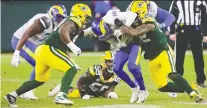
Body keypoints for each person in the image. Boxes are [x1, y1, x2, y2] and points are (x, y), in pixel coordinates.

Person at [114, 0, 203, 103]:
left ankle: (193, 95)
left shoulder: (149, 21)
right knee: (162, 87)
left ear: (141, 13)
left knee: (172, 74)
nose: (131, 16)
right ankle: (190, 88)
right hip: (152, 57)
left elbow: (135, 32)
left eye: (134, 13)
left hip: (163, 51)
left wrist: (121, 26)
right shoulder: (134, 21)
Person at [5, 3, 92, 107]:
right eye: (86, 16)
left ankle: (12, 95)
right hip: (47, 49)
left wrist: (93, 30)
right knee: (71, 69)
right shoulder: (73, 20)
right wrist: (73, 46)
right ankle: (61, 96)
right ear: (80, 14)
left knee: (39, 80)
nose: (86, 20)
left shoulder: (71, 24)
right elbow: (62, 31)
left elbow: (78, 34)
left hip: (43, 50)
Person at [10, 4, 67, 100]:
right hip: (20, 40)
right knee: (40, 62)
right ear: (53, 14)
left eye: (62, 17)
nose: (61, 19)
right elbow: (26, 34)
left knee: (43, 63)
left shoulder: (55, 25)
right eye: (59, 17)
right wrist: (16, 53)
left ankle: (27, 91)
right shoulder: (45, 20)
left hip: (33, 43)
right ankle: (27, 91)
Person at [48, 51, 120, 100]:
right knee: (70, 93)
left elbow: (105, 91)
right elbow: (80, 81)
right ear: (104, 62)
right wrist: (83, 94)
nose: (112, 64)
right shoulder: (95, 70)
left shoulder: (116, 76)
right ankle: (62, 86)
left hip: (94, 93)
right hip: (84, 90)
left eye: (114, 62)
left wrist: (109, 94)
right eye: (110, 61)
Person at [169, 0, 207, 88]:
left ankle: (201, 81)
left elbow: (205, 17)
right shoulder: (177, 1)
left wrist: (205, 34)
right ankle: (179, 80)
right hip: (182, 29)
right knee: (179, 56)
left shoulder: (200, 1)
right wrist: (172, 32)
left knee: (198, 56)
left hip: (196, 29)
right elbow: (172, 16)